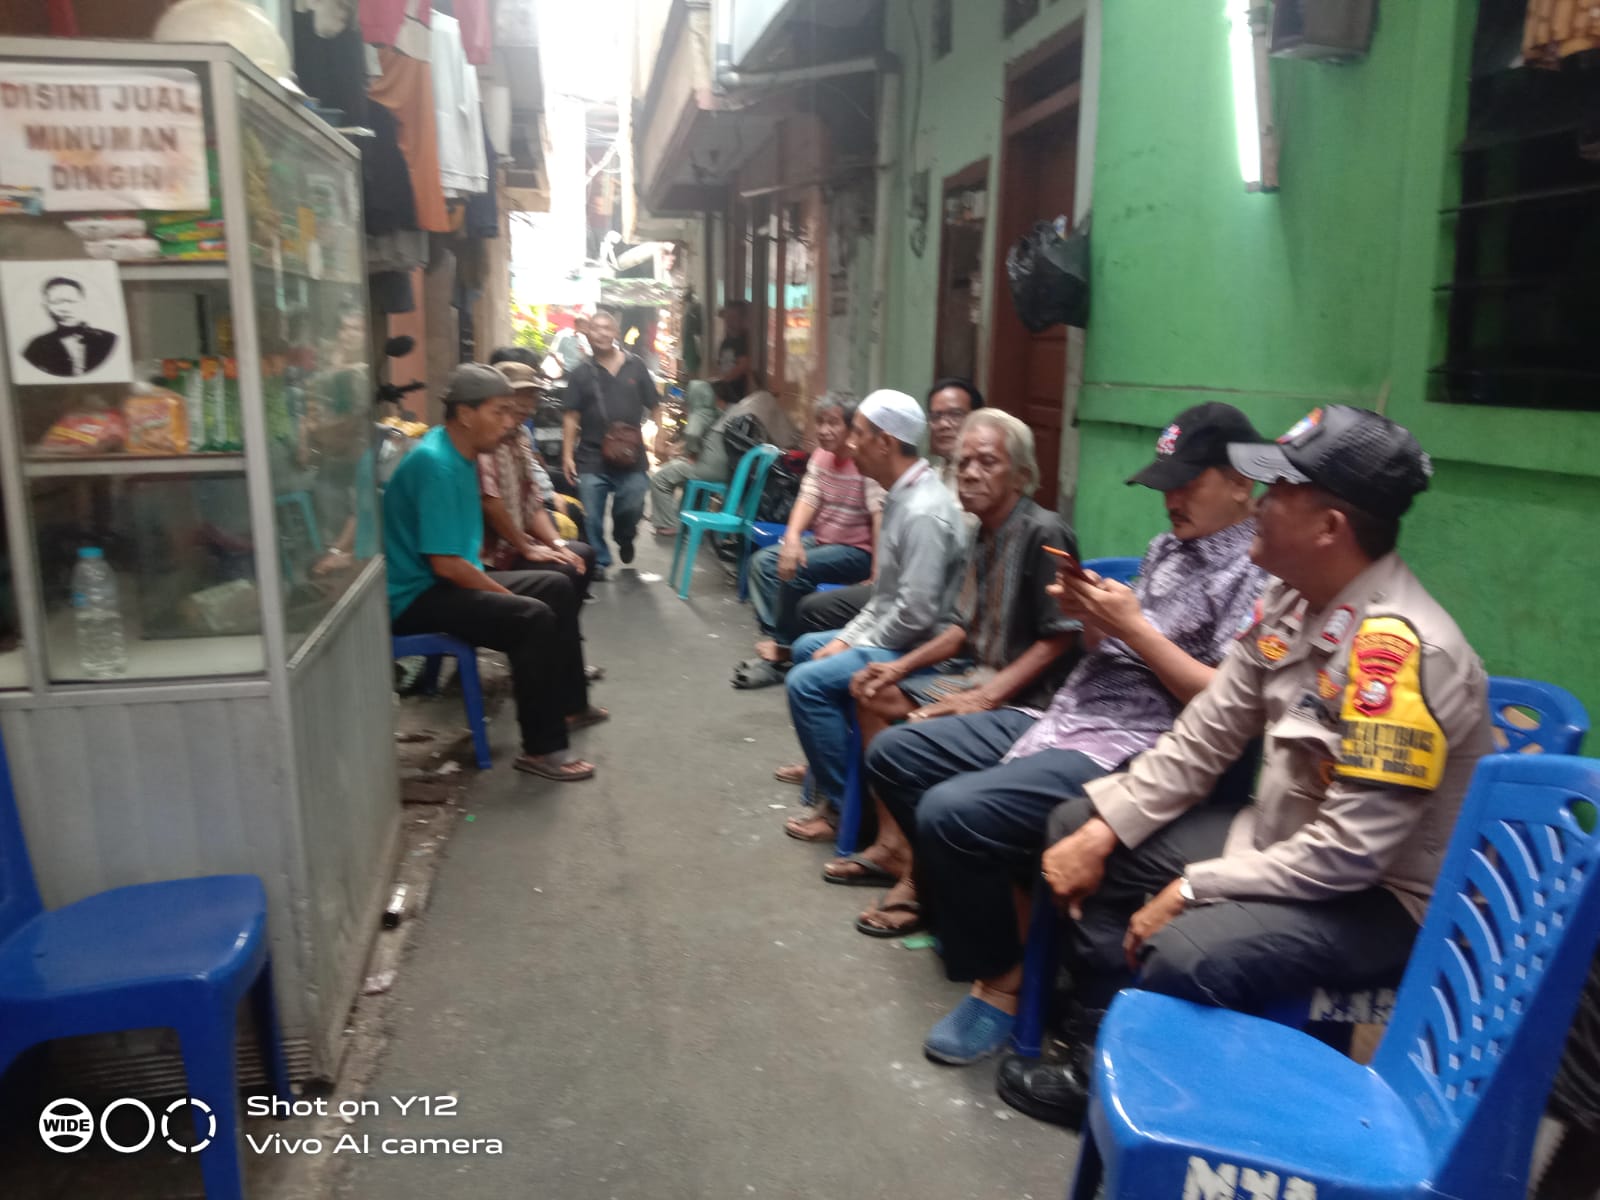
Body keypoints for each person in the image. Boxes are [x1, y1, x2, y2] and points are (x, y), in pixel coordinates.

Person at [997, 405, 1493, 1129]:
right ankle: (1101, 1051)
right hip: (1283, 842)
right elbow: (1205, 735)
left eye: (1281, 491)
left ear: (1329, 528)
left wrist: (1194, 887)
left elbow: (1349, 855)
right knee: (1083, 823)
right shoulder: (1290, 602)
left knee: (1187, 951)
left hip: (1381, 897)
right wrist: (1107, 827)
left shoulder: (1402, 656)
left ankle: (1170, 1111)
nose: (1259, 504)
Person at [864, 403, 1268, 1061]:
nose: (1171, 500)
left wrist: (1133, 628)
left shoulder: (1255, 571)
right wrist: (1096, 619)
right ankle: (998, 929)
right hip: (1068, 715)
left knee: (952, 812)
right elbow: (1106, 649)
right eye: (1165, 485)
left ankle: (1005, 979)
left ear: (1241, 483)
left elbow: (1226, 706)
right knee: (897, 754)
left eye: (1187, 484)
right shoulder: (1167, 548)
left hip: (1141, 744)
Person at [824, 410, 1079, 904]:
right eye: (963, 463)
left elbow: (1060, 639)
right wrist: (898, 667)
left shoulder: (1045, 531)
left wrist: (984, 698)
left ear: (1021, 475)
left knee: (913, 737)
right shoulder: (981, 533)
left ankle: (922, 880)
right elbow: (962, 628)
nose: (970, 473)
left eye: (988, 462)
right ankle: (894, 847)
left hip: (1029, 697)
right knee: (871, 690)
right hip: (975, 675)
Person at [387, 364, 606, 782]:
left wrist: (533, 556)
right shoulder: (437, 463)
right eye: (499, 411)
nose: (510, 422)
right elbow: (445, 564)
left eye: (512, 411)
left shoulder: (462, 452)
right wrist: (504, 595)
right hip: (413, 596)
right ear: (465, 414)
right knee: (531, 616)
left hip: (442, 580)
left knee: (556, 586)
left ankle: (569, 704)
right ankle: (543, 751)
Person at [780, 390, 967, 843]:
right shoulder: (900, 495)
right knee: (806, 649)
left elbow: (916, 615)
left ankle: (848, 811)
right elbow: (884, 599)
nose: (849, 443)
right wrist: (847, 639)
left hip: (926, 650)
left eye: (858, 434)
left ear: (885, 443)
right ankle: (835, 770)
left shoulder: (923, 512)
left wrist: (854, 643)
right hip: (901, 634)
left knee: (805, 683)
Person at [799, 378, 984, 636]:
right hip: (901, 583)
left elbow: (917, 608)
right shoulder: (931, 475)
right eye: (936, 416)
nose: (943, 424)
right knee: (813, 611)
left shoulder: (975, 486)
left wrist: (860, 643)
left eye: (955, 415)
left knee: (815, 624)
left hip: (939, 602)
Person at [732, 395, 883, 688]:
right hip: (825, 542)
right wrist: (791, 538)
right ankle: (783, 640)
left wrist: (878, 569)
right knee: (763, 564)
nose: (824, 430)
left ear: (851, 428)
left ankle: (783, 653)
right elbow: (808, 497)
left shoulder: (863, 463)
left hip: (859, 551)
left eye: (833, 423)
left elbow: (880, 516)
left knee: (797, 570)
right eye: (820, 422)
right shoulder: (821, 457)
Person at [479, 361, 598, 602]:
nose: (527, 405)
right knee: (561, 577)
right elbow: (490, 502)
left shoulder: (520, 435)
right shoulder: (485, 438)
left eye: (531, 397)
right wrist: (526, 547)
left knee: (580, 555)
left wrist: (558, 545)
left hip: (516, 542)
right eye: (520, 396)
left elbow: (532, 500)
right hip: (490, 554)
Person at [562, 310, 660, 575]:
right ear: (587, 333)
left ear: (616, 333)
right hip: (591, 455)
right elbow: (571, 416)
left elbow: (654, 404)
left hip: (631, 454)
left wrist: (661, 435)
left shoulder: (636, 366)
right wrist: (567, 455)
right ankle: (600, 560)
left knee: (634, 501)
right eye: (596, 329)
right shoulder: (580, 373)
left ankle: (625, 536)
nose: (602, 334)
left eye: (607, 328)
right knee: (591, 514)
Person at [24, 276, 117, 377]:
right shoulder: (37, 346)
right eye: (56, 302)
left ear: (84, 303)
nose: (65, 308)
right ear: (46, 306)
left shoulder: (110, 339)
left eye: (71, 301)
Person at [713, 301, 753, 402]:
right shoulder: (726, 341)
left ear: (742, 320)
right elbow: (720, 364)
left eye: (733, 317)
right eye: (727, 317)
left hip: (736, 394)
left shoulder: (741, 341)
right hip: (725, 392)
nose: (729, 321)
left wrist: (726, 379)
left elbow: (743, 365)